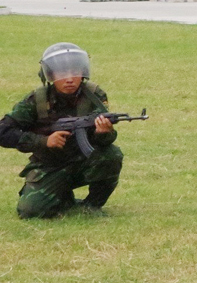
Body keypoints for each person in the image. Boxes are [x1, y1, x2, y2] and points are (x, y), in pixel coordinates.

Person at [0, 43, 125, 218]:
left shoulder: (93, 95)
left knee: (112, 155)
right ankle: (64, 198)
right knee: (30, 211)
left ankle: (92, 205)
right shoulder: (38, 100)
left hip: (83, 161)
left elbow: (104, 142)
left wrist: (103, 133)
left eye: (74, 72)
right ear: (49, 75)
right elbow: (3, 131)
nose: (69, 79)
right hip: (49, 165)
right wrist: (44, 141)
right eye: (62, 73)